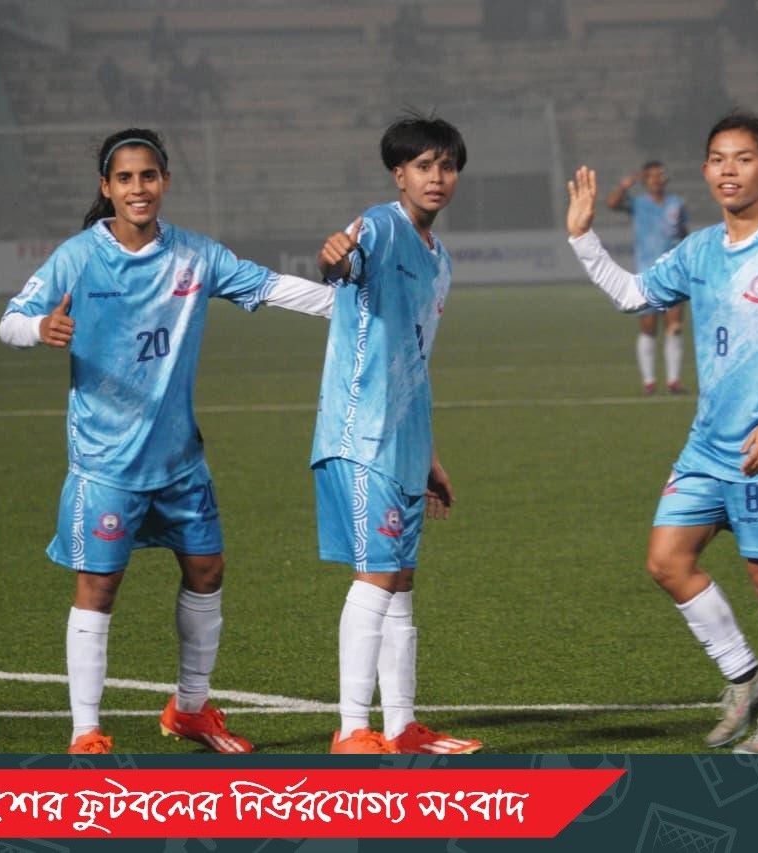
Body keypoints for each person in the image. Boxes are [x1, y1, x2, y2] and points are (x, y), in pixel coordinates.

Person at [0, 128, 337, 754]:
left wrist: (352, 306)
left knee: (207, 571)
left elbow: (269, 286)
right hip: (106, 462)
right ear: (106, 188)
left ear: (165, 182)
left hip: (180, 460)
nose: (139, 188)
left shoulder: (194, 254)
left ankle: (191, 709)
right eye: (125, 178)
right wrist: (39, 327)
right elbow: (9, 321)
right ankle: (85, 731)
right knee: (99, 587)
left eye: (148, 176)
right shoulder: (78, 257)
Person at [565, 112, 758, 754]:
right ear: (706, 169)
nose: (728, 170)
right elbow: (633, 296)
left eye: (744, 158)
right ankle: (744, 676)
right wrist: (583, 238)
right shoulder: (700, 249)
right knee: (667, 561)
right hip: (708, 447)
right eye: (717, 158)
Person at [312, 114, 482, 756]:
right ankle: (352, 730)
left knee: (401, 579)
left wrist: (428, 453)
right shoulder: (379, 227)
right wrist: (335, 258)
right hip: (362, 434)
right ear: (399, 175)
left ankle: (401, 726)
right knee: (377, 577)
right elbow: (342, 264)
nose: (437, 177)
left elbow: (417, 359)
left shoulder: (441, 261)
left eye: (447, 166)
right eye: (423, 166)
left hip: (404, 441)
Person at [606, 161, 690, 395]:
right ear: (645, 180)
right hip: (647, 273)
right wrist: (624, 186)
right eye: (651, 176)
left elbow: (685, 232)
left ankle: (673, 381)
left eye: (659, 175)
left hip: (673, 272)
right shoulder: (639, 204)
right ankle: (649, 381)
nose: (656, 180)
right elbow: (612, 203)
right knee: (648, 327)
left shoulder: (676, 203)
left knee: (674, 326)